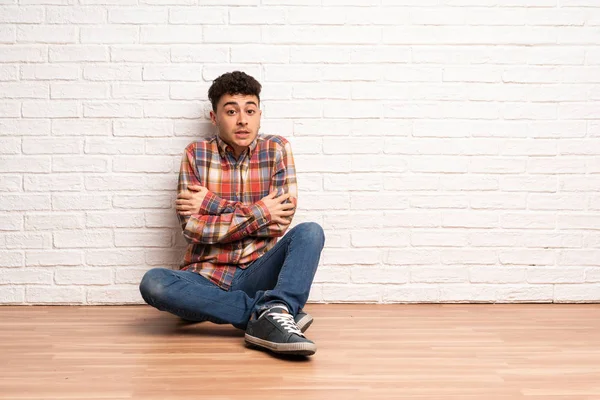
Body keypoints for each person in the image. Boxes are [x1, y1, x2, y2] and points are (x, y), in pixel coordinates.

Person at [139, 71, 325, 357]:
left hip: (257, 273)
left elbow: (281, 221)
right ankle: (271, 312)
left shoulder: (277, 149)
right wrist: (262, 211)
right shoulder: (196, 154)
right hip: (204, 278)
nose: (242, 120)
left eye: (250, 110)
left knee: (310, 232)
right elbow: (193, 228)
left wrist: (211, 204)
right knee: (154, 282)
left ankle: (264, 309)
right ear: (214, 117)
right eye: (231, 111)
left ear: (259, 114)